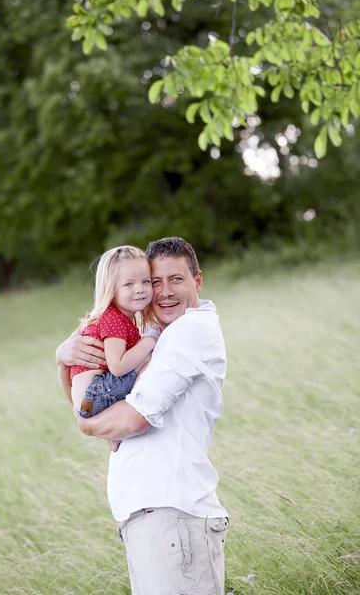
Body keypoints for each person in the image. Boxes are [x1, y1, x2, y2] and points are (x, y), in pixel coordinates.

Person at [56, 237, 228, 595]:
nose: (163, 292)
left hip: (172, 514)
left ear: (198, 281)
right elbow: (92, 399)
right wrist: (62, 359)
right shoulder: (156, 335)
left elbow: (132, 419)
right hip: (154, 518)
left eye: (176, 279)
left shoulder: (189, 332)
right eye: (155, 281)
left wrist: (87, 425)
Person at [58, 245, 158, 420]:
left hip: (88, 401)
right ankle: (136, 412)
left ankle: (116, 431)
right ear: (111, 289)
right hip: (95, 394)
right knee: (148, 357)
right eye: (129, 284)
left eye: (146, 281)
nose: (139, 289)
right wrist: (149, 342)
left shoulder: (118, 316)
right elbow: (118, 367)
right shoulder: (113, 319)